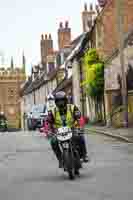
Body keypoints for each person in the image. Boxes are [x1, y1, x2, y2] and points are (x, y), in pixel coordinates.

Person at [47, 91, 89, 168]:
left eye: (62, 100)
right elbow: (48, 123)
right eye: (59, 101)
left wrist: (80, 127)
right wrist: (49, 131)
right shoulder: (53, 111)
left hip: (72, 129)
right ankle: (60, 159)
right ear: (56, 102)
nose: (61, 103)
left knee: (80, 137)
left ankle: (84, 155)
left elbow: (80, 118)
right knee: (53, 141)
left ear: (65, 100)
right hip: (59, 132)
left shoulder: (72, 108)